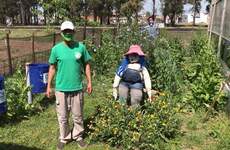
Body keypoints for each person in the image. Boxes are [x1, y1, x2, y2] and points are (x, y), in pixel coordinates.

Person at [46, 20, 92, 150]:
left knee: (78, 115)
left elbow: (87, 64)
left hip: (77, 88)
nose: (68, 33)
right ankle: (64, 137)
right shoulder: (56, 49)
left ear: (74, 32)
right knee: (63, 116)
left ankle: (78, 136)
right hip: (61, 89)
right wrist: (49, 86)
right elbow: (52, 68)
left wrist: (89, 82)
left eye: (70, 31)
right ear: (61, 33)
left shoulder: (81, 47)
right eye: (65, 31)